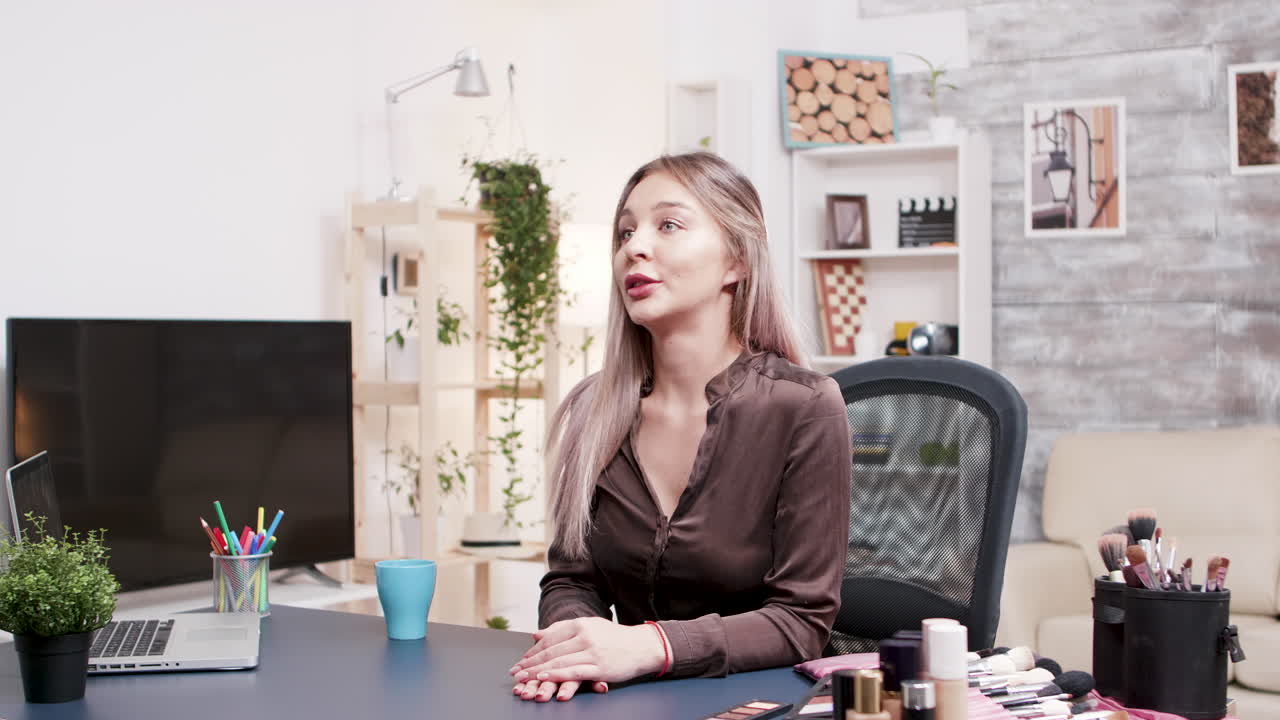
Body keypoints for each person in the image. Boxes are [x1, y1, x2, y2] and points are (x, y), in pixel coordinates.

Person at [509, 152, 852, 702]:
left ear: (736, 260)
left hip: (759, 704)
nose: (634, 247)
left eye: (668, 224)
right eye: (625, 232)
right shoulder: (592, 409)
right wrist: (577, 646)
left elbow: (800, 620)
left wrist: (647, 646)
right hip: (626, 701)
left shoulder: (804, 406)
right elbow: (573, 579)